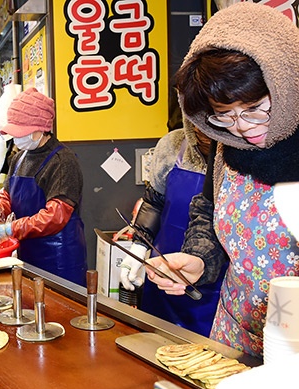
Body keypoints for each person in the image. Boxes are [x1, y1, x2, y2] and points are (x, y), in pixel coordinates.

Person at [145, 2, 299, 358]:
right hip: (234, 334)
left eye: (255, 108)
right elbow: (208, 212)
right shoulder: (226, 148)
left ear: (288, 82)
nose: (242, 128)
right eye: (223, 116)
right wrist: (198, 259)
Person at [118, 119, 227, 336]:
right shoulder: (171, 145)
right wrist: (139, 245)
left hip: (218, 283)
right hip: (165, 274)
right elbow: (154, 201)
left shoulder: (241, 158)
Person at [0, 88, 87, 285]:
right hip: (27, 254)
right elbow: (8, 194)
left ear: (39, 129)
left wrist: (11, 229)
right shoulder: (19, 157)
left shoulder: (62, 161)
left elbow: (56, 216)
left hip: (60, 260)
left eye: (20, 132)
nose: (16, 139)